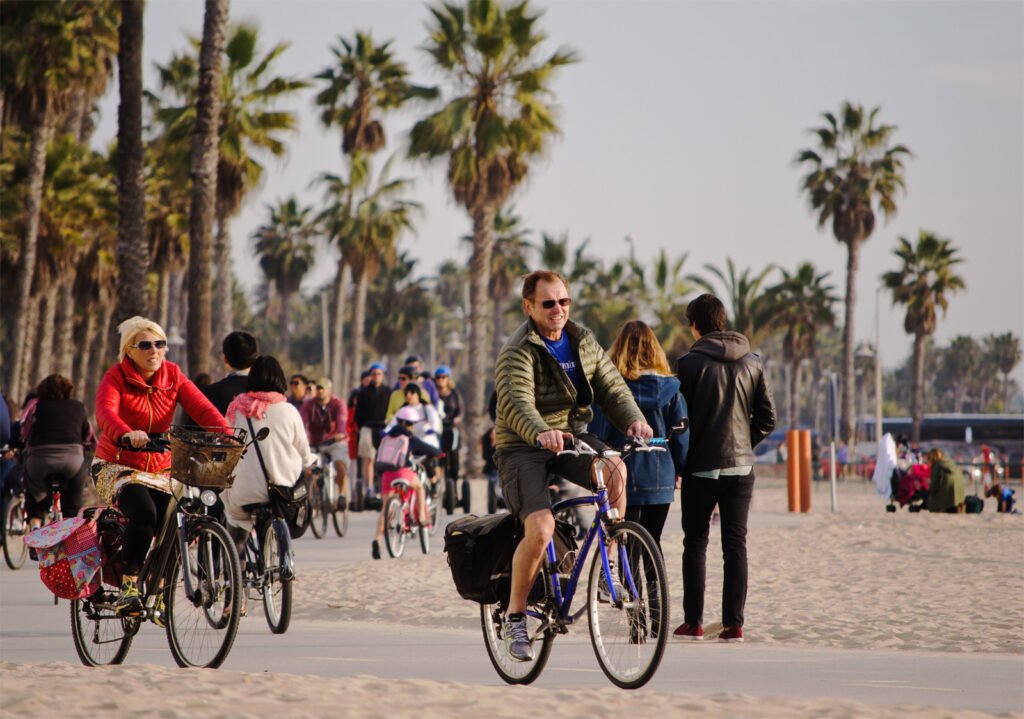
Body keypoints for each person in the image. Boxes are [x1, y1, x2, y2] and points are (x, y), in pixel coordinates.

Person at [494, 269, 651, 662]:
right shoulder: (517, 350)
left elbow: (612, 386)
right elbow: (516, 402)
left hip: (570, 436)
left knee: (615, 470)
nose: (558, 310)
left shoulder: (582, 341)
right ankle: (515, 615)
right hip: (522, 445)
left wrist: (633, 418)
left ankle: (608, 564)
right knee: (542, 528)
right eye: (548, 303)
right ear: (528, 307)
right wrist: (539, 431)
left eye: (564, 301)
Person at [93, 316, 229, 618]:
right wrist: (126, 433)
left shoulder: (173, 374)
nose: (155, 350)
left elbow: (203, 407)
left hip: (159, 468)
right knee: (145, 514)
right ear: (128, 350)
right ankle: (129, 587)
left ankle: (162, 587)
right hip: (117, 465)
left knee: (178, 517)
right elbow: (105, 412)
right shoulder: (115, 376)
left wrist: (225, 431)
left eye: (160, 343)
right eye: (145, 345)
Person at [673, 293, 775, 643]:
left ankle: (694, 623)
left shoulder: (687, 365)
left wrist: (682, 458)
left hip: (700, 466)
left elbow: (679, 421)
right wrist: (746, 445)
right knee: (735, 544)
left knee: (696, 543)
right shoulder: (753, 361)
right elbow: (768, 419)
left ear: (696, 325)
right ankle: (734, 625)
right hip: (741, 467)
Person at [589, 321, 688, 552]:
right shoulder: (672, 390)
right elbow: (681, 435)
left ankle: (632, 590)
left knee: (627, 545)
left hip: (621, 474)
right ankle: (657, 589)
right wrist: (679, 470)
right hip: (661, 474)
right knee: (654, 543)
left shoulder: (610, 389)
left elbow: (598, 434)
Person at [221, 356, 317, 547]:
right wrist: (310, 463)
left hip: (245, 493)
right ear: (280, 379)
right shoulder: (289, 411)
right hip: (283, 492)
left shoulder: (237, 408)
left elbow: (227, 445)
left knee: (236, 520)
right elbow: (304, 452)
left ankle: (234, 564)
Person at [370, 405, 443, 559]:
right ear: (409, 424)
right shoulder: (409, 438)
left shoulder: (387, 437)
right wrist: (439, 453)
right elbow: (428, 449)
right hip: (403, 472)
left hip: (386, 475)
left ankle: (377, 540)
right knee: (419, 487)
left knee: (385, 510)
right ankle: (422, 517)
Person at [23, 374, 93, 528]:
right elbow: (88, 437)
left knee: (34, 498)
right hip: (72, 461)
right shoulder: (78, 407)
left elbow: (24, 432)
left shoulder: (36, 405)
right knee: (72, 508)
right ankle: (68, 535)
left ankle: (35, 525)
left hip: (40, 461)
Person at [300, 377, 348, 508]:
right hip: (315, 442)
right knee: (308, 468)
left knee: (340, 463)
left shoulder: (338, 403)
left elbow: (342, 419)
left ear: (329, 390)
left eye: (323, 388)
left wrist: (340, 432)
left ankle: (342, 494)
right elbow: (303, 422)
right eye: (318, 388)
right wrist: (303, 436)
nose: (320, 391)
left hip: (334, 441)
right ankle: (314, 496)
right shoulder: (309, 405)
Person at [354, 363, 391, 496]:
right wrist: (362, 426)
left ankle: (383, 485)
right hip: (368, 427)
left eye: (379, 374)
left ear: (383, 375)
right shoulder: (363, 392)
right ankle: (369, 486)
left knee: (384, 459)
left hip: (383, 428)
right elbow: (358, 414)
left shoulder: (388, 392)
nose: (376, 377)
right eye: (374, 374)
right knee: (369, 458)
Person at [434, 366, 462, 483]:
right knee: (439, 457)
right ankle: (438, 484)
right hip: (438, 431)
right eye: (438, 377)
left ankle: (454, 484)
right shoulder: (434, 395)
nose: (441, 380)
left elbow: (461, 411)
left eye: (443, 377)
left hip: (451, 429)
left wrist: (457, 418)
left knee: (454, 456)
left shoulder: (454, 394)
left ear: (448, 379)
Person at [926, 447, 965, 513]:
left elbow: (933, 488)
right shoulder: (952, 463)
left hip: (945, 502)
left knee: (928, 499)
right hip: (959, 501)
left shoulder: (937, 466)